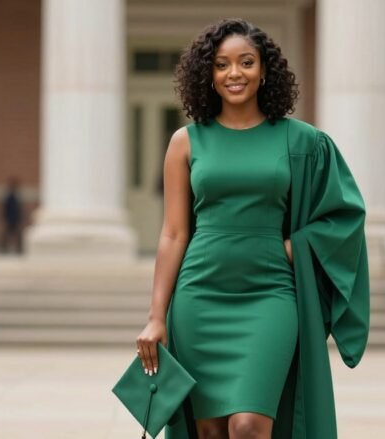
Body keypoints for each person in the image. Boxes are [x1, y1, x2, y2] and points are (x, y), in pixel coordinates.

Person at [136, 18, 370, 439]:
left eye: (246, 62)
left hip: (271, 295)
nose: (234, 74)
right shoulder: (185, 143)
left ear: (264, 71)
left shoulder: (302, 142)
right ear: (208, 74)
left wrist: (292, 248)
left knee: (249, 425)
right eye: (222, 64)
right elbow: (173, 233)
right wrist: (156, 317)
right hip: (199, 296)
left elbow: (345, 215)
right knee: (207, 431)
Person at [0, 176, 23, 254]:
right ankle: (4, 247)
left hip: (14, 219)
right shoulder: (9, 197)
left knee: (13, 234)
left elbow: (19, 209)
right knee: (9, 234)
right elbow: (5, 209)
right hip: (10, 219)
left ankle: (17, 248)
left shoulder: (15, 196)